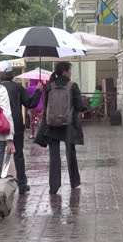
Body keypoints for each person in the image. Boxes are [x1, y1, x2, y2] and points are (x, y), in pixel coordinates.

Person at [38, 61, 84, 195]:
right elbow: (79, 106)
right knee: (71, 154)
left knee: (54, 157)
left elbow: (46, 106)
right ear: (64, 71)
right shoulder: (73, 86)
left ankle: (54, 187)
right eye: (70, 71)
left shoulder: (50, 86)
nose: (70, 73)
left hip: (52, 125)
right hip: (69, 125)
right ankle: (74, 182)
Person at [0, 61, 42, 194]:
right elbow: (30, 103)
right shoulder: (17, 88)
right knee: (18, 155)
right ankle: (22, 185)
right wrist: (38, 91)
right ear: (12, 74)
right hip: (16, 124)